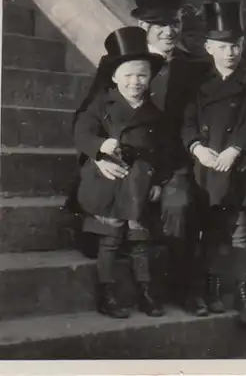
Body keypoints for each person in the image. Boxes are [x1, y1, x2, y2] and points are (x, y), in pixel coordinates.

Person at [91, 0, 212, 315]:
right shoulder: (118, 64)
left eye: (174, 23)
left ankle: (184, 289)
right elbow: (92, 115)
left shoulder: (194, 69)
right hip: (127, 161)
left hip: (172, 164)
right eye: (159, 24)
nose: (169, 31)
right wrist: (99, 154)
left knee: (180, 205)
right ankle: (116, 286)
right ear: (142, 24)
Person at [182, 1, 246, 326]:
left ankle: (244, 293)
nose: (229, 52)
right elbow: (187, 122)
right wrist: (196, 148)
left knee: (238, 234)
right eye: (221, 46)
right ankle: (210, 288)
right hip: (205, 167)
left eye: (234, 45)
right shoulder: (198, 85)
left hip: (236, 167)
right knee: (208, 232)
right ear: (208, 48)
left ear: (242, 46)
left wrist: (236, 149)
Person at [73, 25, 167, 319]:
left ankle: (145, 290)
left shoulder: (155, 113)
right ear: (114, 77)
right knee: (110, 237)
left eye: (142, 74)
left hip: (139, 182)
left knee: (140, 240)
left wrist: (160, 180)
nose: (135, 81)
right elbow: (82, 133)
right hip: (108, 180)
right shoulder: (101, 105)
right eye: (128, 75)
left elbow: (163, 151)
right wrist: (101, 146)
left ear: (150, 77)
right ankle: (107, 291)